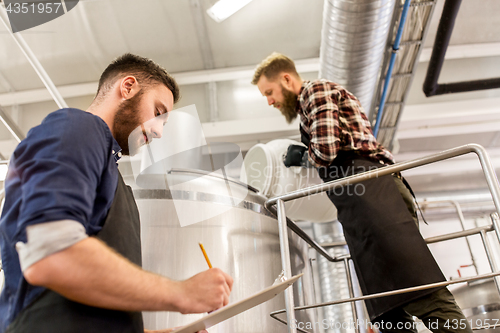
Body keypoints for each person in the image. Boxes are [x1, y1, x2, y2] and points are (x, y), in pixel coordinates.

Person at [0, 53, 233, 333]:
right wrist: (182, 293)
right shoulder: (77, 127)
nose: (159, 132)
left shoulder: (117, 184)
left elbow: (95, 313)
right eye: (158, 113)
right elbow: (49, 253)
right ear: (128, 87)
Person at [252, 52, 472, 333]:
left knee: (420, 291)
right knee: (387, 310)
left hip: (373, 194)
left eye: (269, 92)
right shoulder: (309, 106)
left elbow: (327, 150)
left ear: (286, 78)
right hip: (361, 202)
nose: (270, 101)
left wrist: (305, 155)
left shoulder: (315, 91)